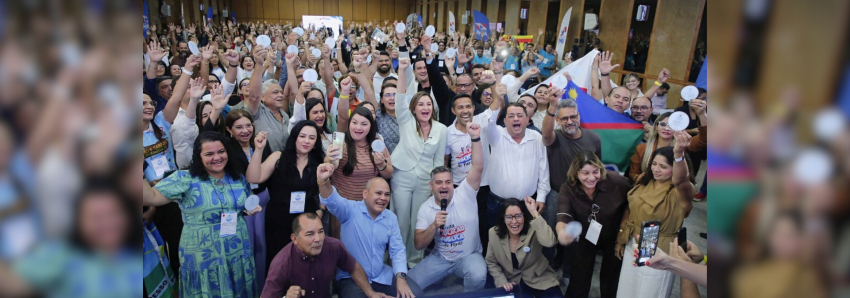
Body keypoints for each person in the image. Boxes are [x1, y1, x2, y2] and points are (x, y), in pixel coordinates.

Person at [143, 131, 262, 297]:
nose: (217, 157)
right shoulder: (185, 178)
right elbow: (150, 197)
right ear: (199, 156)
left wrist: (247, 210)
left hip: (237, 249)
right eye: (209, 154)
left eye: (221, 151)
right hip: (203, 256)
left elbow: (241, 204)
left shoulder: (237, 178)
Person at [1, 182, 142, 298]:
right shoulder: (61, 253)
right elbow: (12, 284)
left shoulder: (140, 251)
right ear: (79, 221)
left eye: (114, 213)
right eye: (96, 217)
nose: (107, 223)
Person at [408, 122, 487, 292]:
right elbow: (418, 244)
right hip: (440, 258)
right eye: (439, 183)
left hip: (469, 256)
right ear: (431, 185)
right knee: (409, 283)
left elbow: (478, 167)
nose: (444, 186)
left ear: (452, 184)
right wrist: (434, 226)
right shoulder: (426, 208)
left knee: (478, 274)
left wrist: (475, 138)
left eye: (448, 182)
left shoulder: (465, 193)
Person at [317, 171, 422, 298]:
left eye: (387, 194)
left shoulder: (391, 218)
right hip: (351, 279)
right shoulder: (350, 210)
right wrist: (323, 181)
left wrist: (401, 278)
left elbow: (398, 250)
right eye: (378, 193)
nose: (383, 198)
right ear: (365, 194)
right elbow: (332, 200)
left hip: (381, 276)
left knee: (415, 293)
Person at [616, 133, 696, 298]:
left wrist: (679, 154)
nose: (656, 169)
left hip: (661, 248)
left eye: (663, 166)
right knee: (626, 291)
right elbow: (630, 210)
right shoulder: (645, 180)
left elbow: (682, 179)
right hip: (634, 243)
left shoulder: (681, 191)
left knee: (649, 293)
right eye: (654, 164)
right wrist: (621, 238)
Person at [246, 121, 325, 273]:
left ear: (316, 141)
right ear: (294, 137)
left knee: (306, 263)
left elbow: (325, 190)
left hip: (306, 219)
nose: (306, 141)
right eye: (302, 136)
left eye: (311, 137)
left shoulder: (318, 163)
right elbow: (253, 178)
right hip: (278, 219)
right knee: (279, 263)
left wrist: (320, 211)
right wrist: (258, 150)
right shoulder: (278, 157)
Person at [392, 57, 449, 266]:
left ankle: (415, 260)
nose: (425, 107)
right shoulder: (405, 121)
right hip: (402, 177)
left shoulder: (441, 129)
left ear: (432, 108)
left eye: (428, 104)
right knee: (401, 221)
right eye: (420, 104)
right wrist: (403, 71)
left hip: (425, 181)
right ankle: (398, 260)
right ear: (414, 109)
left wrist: (436, 185)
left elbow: (439, 160)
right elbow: (400, 97)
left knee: (418, 221)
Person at [555, 151, 630, 298]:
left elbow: (633, 202)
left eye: (595, 172)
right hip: (585, 236)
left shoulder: (617, 182)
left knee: (611, 278)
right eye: (585, 173)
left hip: (613, 235)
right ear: (576, 173)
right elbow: (563, 217)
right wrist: (562, 234)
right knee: (579, 278)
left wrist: (622, 233)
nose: (591, 178)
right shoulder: (568, 188)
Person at [262, 213, 388, 298]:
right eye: (310, 234)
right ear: (295, 239)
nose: (318, 239)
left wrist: (371, 293)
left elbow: (354, 267)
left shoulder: (334, 246)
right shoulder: (281, 263)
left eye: (321, 232)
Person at [484, 86, 550, 234]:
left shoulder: (537, 138)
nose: (516, 119)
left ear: (527, 119)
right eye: (511, 116)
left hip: (528, 204)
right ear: (505, 120)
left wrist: (541, 197)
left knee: (524, 245)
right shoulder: (496, 135)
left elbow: (543, 170)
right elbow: (489, 121)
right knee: (495, 242)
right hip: (498, 203)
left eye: (520, 115)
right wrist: (498, 98)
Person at [326, 105, 393, 238]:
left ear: (371, 126)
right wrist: (330, 159)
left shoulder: (377, 144)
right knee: (344, 251)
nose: (358, 128)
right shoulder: (340, 142)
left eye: (364, 124)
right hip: (344, 208)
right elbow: (331, 165)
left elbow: (389, 173)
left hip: (368, 208)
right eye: (354, 122)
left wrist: (381, 164)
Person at [486, 197, 561, 298]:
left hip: (539, 278)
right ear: (503, 218)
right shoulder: (493, 233)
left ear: (524, 217)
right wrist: (501, 281)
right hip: (514, 282)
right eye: (509, 217)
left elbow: (550, 242)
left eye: (518, 216)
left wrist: (534, 212)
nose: (514, 221)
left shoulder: (534, 228)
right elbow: (491, 262)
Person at [628, 111, 705, 182]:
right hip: (646, 188)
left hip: (672, 189)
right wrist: (637, 177)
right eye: (663, 124)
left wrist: (702, 114)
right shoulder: (642, 148)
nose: (667, 128)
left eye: (671, 126)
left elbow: (704, 138)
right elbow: (633, 172)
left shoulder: (682, 145)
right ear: (656, 126)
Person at [244, 45, 291, 152]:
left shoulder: (285, 116)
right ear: (263, 97)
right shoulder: (257, 113)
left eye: (281, 92)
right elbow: (254, 95)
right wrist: (260, 64)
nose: (280, 95)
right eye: (275, 92)